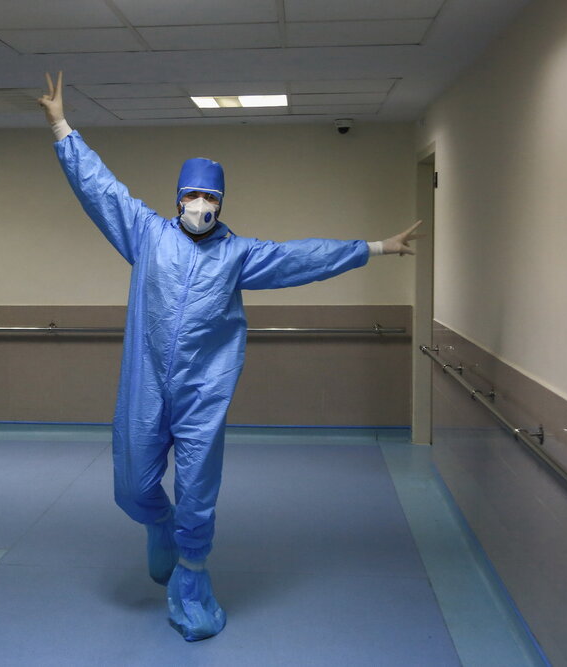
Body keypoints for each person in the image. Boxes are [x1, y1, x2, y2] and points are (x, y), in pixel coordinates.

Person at [38, 71, 422, 642]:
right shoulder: (146, 235)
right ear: (177, 198)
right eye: (193, 195)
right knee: (132, 486)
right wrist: (61, 126)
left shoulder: (238, 255)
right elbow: (101, 189)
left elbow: (301, 258)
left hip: (203, 392)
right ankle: (159, 524)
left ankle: (192, 586)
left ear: (221, 203)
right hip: (146, 385)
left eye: (211, 197)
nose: (201, 204)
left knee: (197, 493)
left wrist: (376, 247)